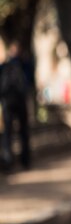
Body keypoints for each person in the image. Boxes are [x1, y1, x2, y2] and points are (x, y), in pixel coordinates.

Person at [0, 41, 31, 171]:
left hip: (7, 102)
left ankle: (9, 160)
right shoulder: (23, 64)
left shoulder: (4, 66)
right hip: (20, 101)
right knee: (22, 131)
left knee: (8, 133)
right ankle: (25, 160)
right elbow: (29, 81)